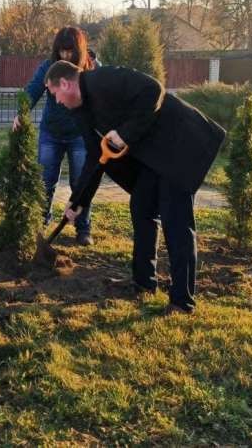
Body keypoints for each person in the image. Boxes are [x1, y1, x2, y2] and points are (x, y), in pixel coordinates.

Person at [44, 60, 225, 314]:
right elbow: (96, 157)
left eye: (55, 94)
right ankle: (143, 283)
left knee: (176, 221)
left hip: (181, 144)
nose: (57, 101)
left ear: (65, 83)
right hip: (154, 155)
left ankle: (182, 301)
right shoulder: (81, 111)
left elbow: (154, 90)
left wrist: (125, 134)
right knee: (141, 206)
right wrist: (78, 202)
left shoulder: (104, 79)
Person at [13, 26, 99, 245]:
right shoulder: (49, 67)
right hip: (51, 133)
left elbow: (102, 99)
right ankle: (41, 224)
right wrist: (21, 113)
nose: (65, 56)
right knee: (45, 181)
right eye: (61, 51)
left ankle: (83, 228)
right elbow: (32, 89)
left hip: (80, 136)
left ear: (79, 50)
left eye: (70, 51)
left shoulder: (92, 69)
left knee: (81, 182)